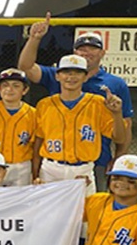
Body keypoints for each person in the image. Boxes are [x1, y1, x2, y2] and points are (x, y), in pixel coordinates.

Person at [18, 12, 133, 192]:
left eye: (92, 48)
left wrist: (118, 158)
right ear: (58, 75)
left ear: (102, 53)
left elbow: (124, 127)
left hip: (94, 160)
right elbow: (25, 66)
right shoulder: (46, 101)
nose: (87, 52)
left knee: (90, 214)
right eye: (82, 48)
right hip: (52, 164)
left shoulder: (112, 87)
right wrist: (35, 38)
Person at [32, 54, 126, 196]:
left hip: (83, 170)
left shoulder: (97, 103)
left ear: (86, 77)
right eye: (66, 72)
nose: (71, 77)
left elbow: (119, 138)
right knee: (50, 216)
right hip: (50, 170)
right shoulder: (44, 105)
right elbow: (38, 142)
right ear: (57, 76)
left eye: (77, 73)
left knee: (84, 216)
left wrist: (117, 113)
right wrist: (35, 174)